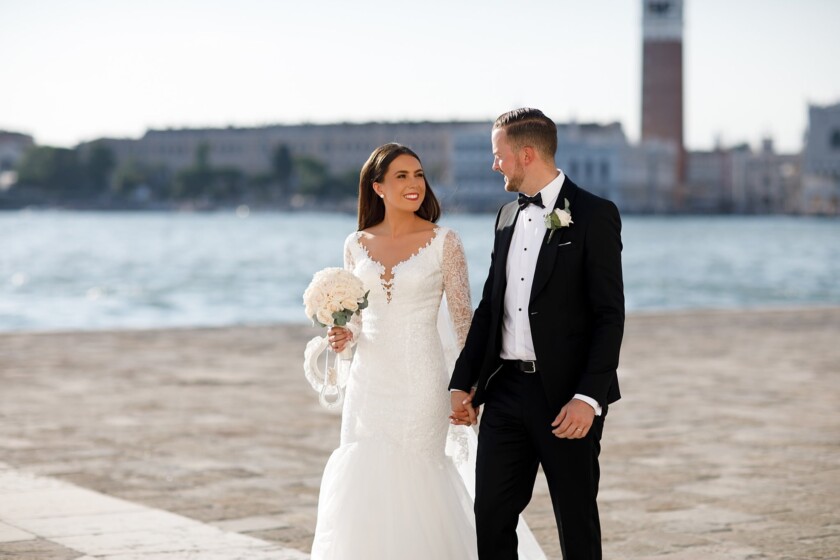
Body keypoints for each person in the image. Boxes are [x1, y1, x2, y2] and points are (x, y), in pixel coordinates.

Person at [310, 143, 546, 560]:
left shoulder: (444, 242)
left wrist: (469, 387)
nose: (414, 184)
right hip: (368, 384)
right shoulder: (355, 243)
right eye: (401, 176)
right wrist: (343, 337)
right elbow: (360, 322)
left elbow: (463, 324)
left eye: (418, 175)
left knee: (417, 478)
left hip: (422, 383)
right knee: (363, 480)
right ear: (377, 186)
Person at [449, 108, 625, 560]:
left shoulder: (593, 214)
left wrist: (589, 398)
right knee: (490, 514)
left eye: (499, 155)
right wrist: (461, 382)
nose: (495, 165)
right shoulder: (506, 216)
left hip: (567, 398)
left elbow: (609, 315)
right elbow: (491, 307)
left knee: (575, 518)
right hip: (506, 390)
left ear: (526, 154)